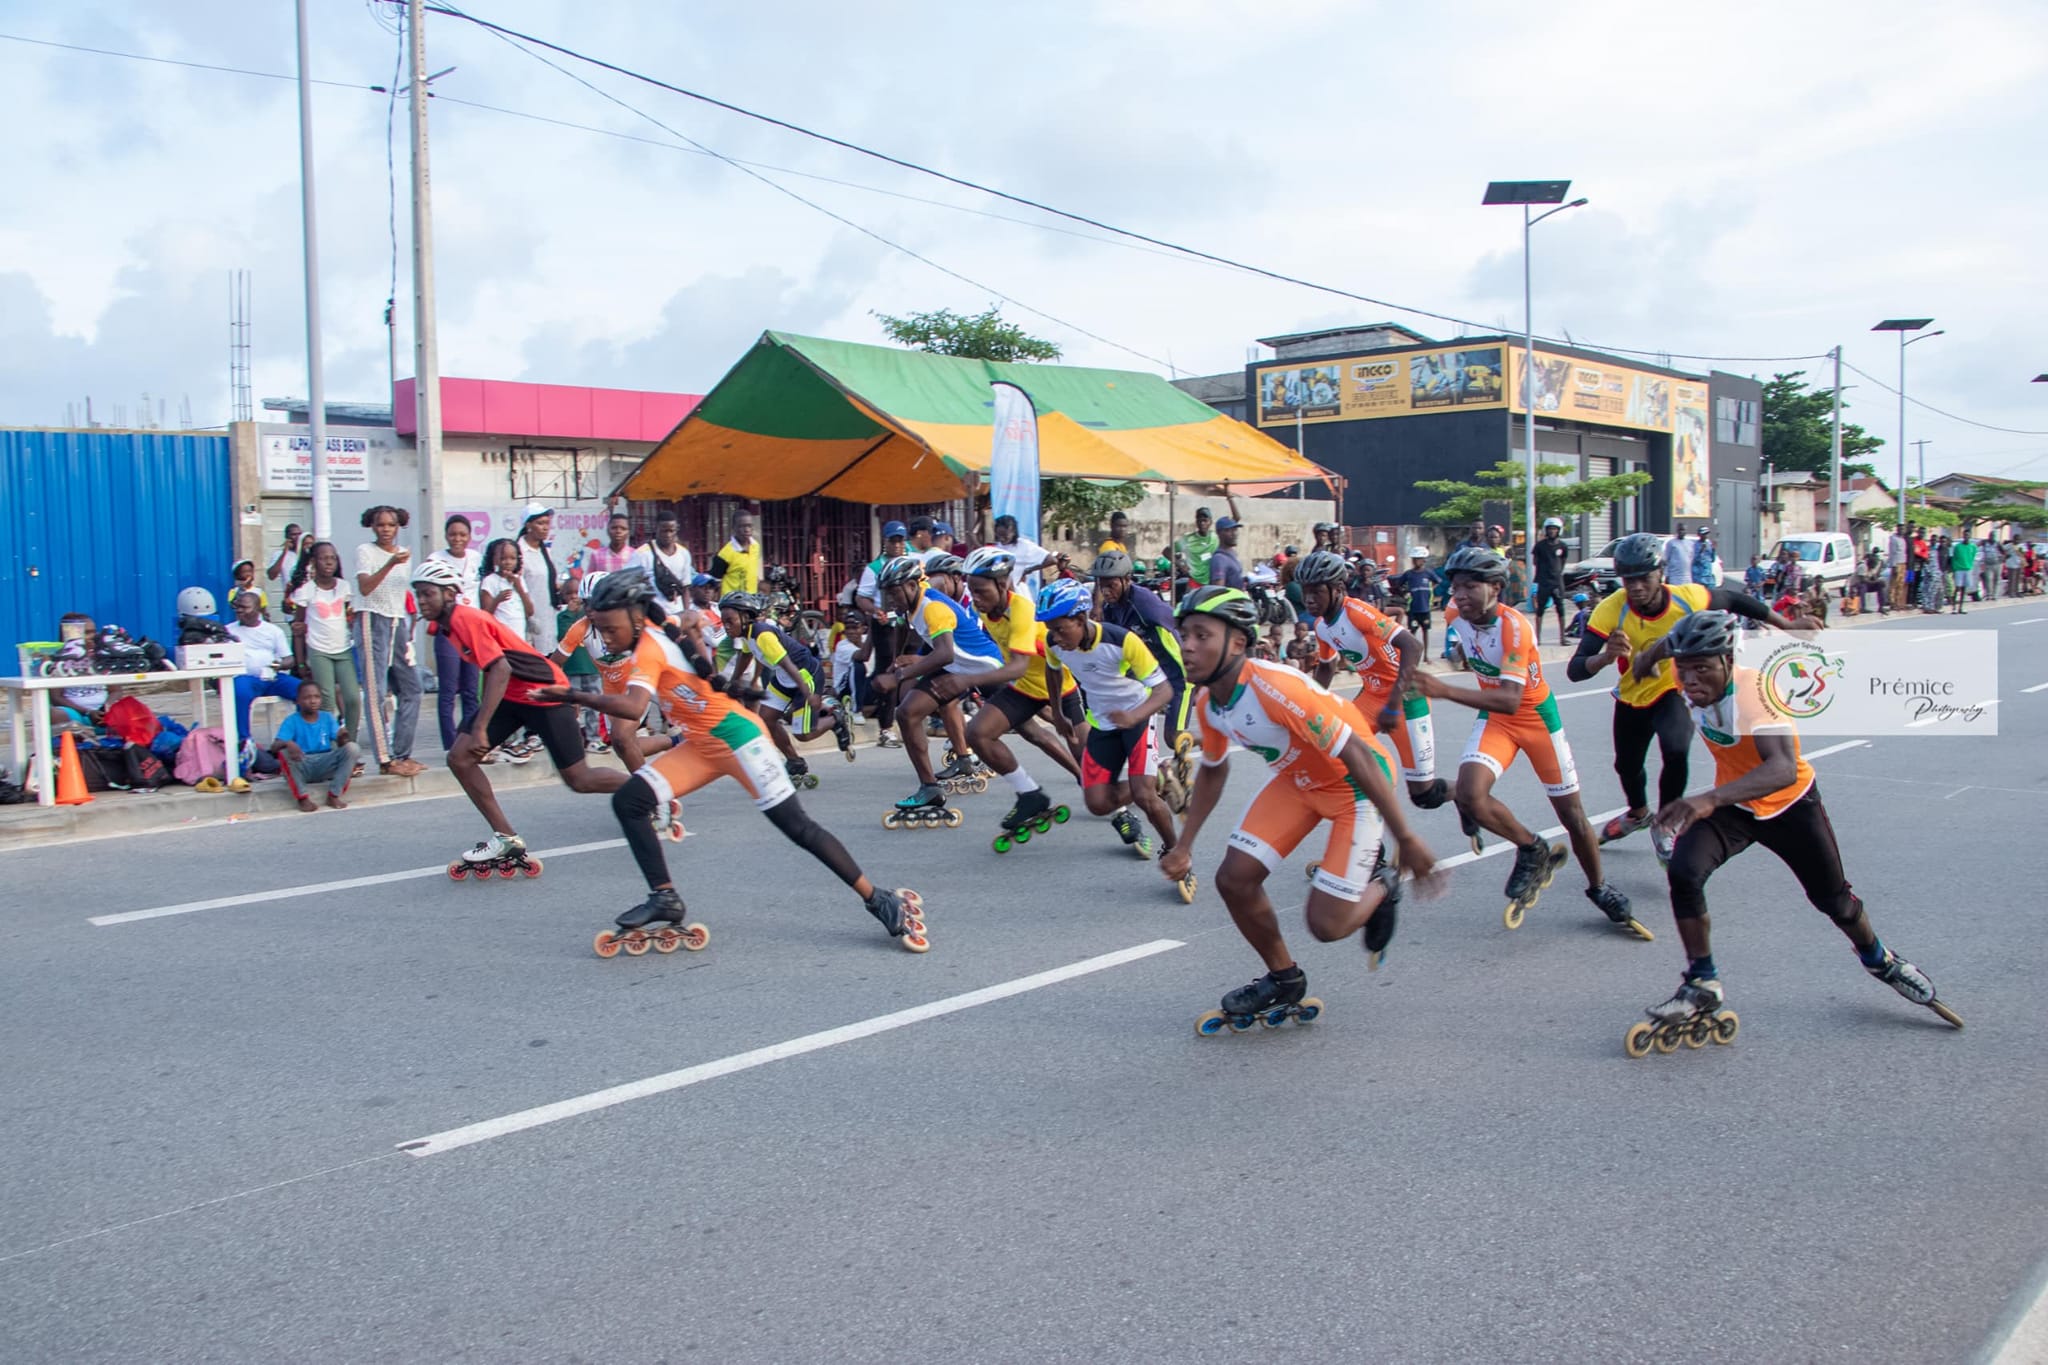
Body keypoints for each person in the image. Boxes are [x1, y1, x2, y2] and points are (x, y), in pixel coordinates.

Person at [537, 568, 926, 954]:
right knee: (629, 801)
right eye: (600, 630)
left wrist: (571, 695)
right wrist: (687, 621)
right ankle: (664, 896)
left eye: (610, 629)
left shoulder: (649, 649)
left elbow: (633, 705)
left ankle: (877, 897)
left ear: (636, 617)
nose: (605, 638)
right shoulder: (659, 628)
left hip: (740, 738)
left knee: (798, 828)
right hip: (702, 745)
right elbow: (686, 619)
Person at [1623, 611, 1959, 1046]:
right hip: (1737, 804)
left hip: (1789, 804)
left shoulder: (1757, 693)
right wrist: (1644, 660)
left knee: (1834, 901)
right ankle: (1702, 981)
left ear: (1728, 660)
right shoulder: (1683, 664)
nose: (1691, 679)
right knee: (1684, 872)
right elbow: (1665, 648)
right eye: (1684, 669)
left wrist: (1706, 799)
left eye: (1703, 668)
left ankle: (1880, 960)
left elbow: (1781, 769)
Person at [1162, 587, 1443, 1019]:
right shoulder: (1209, 704)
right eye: (1184, 635)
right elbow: (1215, 770)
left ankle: (1385, 884)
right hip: (1299, 782)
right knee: (1234, 879)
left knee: (1327, 926)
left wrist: (1405, 836)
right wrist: (1185, 844)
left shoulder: (1274, 687)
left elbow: (1359, 754)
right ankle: (1284, 978)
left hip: (1355, 786)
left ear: (1238, 642)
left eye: (1202, 635)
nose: (1188, 646)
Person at [1416, 547, 1647, 937]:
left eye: (1471, 586)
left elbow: (1509, 697)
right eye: (1456, 587)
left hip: (1535, 719)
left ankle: (1599, 888)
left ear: (1497, 588)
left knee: (1572, 816)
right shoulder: (1456, 616)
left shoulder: (1516, 628)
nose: (1460, 596)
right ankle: (1532, 849)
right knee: (1471, 794)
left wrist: (1443, 689)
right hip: (1498, 721)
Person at [1567, 531, 1814, 863]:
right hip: (1632, 696)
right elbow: (1575, 669)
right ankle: (1639, 814)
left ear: (1661, 573)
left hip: (1674, 690)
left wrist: (1786, 623)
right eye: (1628, 579)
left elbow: (1735, 599)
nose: (1636, 586)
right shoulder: (1611, 610)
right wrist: (1604, 658)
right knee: (1626, 765)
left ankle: (1666, 823)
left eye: (1644, 577)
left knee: (1676, 748)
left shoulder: (1688, 598)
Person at [408, 560, 627, 876]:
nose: (422, 601)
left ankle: (648, 789)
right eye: (419, 595)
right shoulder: (444, 625)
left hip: (544, 692)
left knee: (579, 779)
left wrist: (481, 727)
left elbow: (500, 667)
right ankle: (506, 837)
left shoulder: (465, 618)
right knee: (459, 757)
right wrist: (474, 727)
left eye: (428, 594)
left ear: (450, 594)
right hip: (512, 696)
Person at [1036, 579, 1185, 880]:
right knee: (1097, 804)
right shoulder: (1055, 643)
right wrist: (1058, 712)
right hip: (1103, 724)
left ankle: (1176, 851)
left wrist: (1134, 717)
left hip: (1138, 718)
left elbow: (1164, 691)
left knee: (1144, 797)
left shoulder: (1123, 641)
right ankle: (1159, 778)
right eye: (1050, 629)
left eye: (1060, 628)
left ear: (1081, 620)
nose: (1055, 636)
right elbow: (1052, 672)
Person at [1294, 550, 1449, 815]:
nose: (1308, 599)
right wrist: (1310, 707)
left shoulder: (1358, 613)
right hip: (1372, 697)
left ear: (1337, 588)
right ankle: (1373, 849)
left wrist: (1394, 701)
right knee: (1340, 759)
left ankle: (1464, 796)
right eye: (1304, 591)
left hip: (1405, 699)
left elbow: (1412, 646)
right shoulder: (1321, 626)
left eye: (1316, 591)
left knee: (1423, 795)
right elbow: (1326, 667)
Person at [870, 554, 1007, 822]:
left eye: (895, 592)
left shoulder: (932, 606)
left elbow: (944, 654)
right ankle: (931, 786)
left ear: (912, 585)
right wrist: (894, 662)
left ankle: (1078, 763)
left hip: (985, 667)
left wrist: (899, 677)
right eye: (887, 594)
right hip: (957, 667)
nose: (891, 599)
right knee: (907, 713)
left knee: (1033, 727)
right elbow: (901, 624)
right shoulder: (908, 603)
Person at [960, 547, 1087, 834]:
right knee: (978, 733)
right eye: (972, 591)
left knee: (1094, 775)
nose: (975, 598)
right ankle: (1029, 794)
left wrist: (965, 681)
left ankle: (1123, 810)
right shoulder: (991, 613)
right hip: (1026, 690)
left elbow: (1018, 665)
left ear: (1003, 584)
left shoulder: (1022, 610)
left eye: (980, 591)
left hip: (1060, 687)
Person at [721, 590, 848, 782]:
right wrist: (734, 680)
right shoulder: (747, 634)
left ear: (745, 617)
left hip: (804, 677)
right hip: (783, 678)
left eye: (730, 621)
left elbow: (788, 664)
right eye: (724, 622)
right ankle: (795, 761)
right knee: (767, 720)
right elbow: (746, 655)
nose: (726, 627)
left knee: (803, 734)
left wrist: (809, 694)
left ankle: (835, 718)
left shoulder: (763, 635)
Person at [351, 506, 425, 777]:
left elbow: (404, 591)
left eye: (391, 525)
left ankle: (402, 753)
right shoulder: (365, 552)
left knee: (413, 688)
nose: (386, 529)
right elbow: (365, 587)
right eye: (380, 525)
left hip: (398, 621)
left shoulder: (405, 553)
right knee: (376, 692)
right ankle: (384, 759)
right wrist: (389, 564)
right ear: (372, 526)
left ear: (398, 527)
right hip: (372, 620)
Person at [285, 540, 363, 748]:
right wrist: (301, 663)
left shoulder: (344, 588)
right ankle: (329, 746)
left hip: (343, 649)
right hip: (319, 651)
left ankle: (350, 746)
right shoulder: (307, 591)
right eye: (323, 558)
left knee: (353, 699)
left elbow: (349, 616)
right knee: (326, 701)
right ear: (313, 562)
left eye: (332, 558)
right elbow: (299, 629)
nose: (329, 563)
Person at [427, 515, 484, 751]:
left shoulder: (476, 558)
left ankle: (467, 741)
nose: (457, 539)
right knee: (449, 691)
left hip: (471, 630)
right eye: (453, 534)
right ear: (446, 535)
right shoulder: (435, 559)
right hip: (448, 629)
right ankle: (450, 745)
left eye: (462, 534)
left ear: (470, 536)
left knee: (471, 690)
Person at [224, 590, 302, 741]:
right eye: (237, 607)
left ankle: (301, 737)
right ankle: (244, 741)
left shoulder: (273, 631)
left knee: (303, 690)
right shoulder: (228, 631)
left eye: (245, 607)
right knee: (240, 692)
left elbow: (289, 659)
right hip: (245, 677)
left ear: (258, 609)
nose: (239, 610)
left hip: (272, 677)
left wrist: (279, 665)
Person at [271, 680, 361, 812]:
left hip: (325, 763)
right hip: (303, 763)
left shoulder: (327, 718)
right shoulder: (292, 720)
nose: (313, 701)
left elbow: (341, 744)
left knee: (352, 748)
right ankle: (302, 798)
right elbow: (274, 746)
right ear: (298, 701)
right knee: (284, 753)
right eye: (307, 698)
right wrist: (288, 743)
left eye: (316, 697)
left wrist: (343, 738)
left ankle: (334, 795)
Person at [556, 580, 607, 752]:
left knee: (594, 705)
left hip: (591, 669)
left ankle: (594, 739)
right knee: (572, 706)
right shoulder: (563, 616)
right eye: (569, 593)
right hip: (572, 669)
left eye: (576, 593)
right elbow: (563, 636)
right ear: (563, 596)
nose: (574, 597)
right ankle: (574, 738)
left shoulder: (594, 616)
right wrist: (570, 614)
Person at [517, 504, 566, 655]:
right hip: (529, 619)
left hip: (547, 615)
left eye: (547, 523)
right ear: (528, 525)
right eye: (540, 523)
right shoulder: (519, 551)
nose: (545, 528)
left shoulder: (544, 551)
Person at [631, 511, 696, 621]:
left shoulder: (683, 553)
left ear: (676, 530)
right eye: (664, 531)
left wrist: (686, 613)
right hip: (652, 616)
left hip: (677, 614)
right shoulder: (641, 554)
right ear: (656, 528)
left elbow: (685, 588)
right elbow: (631, 583)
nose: (668, 535)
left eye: (671, 531)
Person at [991, 513, 1057, 597]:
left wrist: (1029, 570)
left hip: (1016, 593)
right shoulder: (998, 547)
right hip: (998, 593)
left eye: (1005, 536)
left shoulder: (1024, 546)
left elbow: (1052, 560)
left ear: (1013, 532)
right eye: (999, 535)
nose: (1001, 539)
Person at [1532, 517, 1571, 645]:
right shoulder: (1540, 546)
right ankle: (1537, 638)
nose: (1552, 531)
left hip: (1557, 582)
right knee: (1540, 609)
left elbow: (1563, 561)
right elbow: (1535, 561)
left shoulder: (1563, 546)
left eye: (1554, 529)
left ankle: (1562, 638)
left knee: (1560, 608)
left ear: (1559, 530)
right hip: (1543, 581)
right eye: (1550, 529)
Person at [709, 509, 762, 597]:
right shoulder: (725, 554)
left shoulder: (755, 546)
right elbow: (715, 580)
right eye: (742, 526)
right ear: (734, 528)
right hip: (732, 601)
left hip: (751, 598)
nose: (747, 530)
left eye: (749, 526)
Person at [1173, 505, 1221, 588]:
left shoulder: (1216, 538)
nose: (1202, 523)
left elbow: (1235, 520)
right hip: (1194, 582)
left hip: (1212, 582)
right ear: (1196, 522)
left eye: (1205, 520)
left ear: (1210, 522)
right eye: (1200, 521)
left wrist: (1230, 499)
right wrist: (1180, 565)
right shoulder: (1188, 539)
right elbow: (1167, 551)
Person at [1207, 516, 1247, 590]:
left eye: (1235, 530)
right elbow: (1218, 590)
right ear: (1219, 533)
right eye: (1229, 530)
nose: (1234, 534)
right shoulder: (1219, 559)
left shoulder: (1232, 554)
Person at [1948, 534, 1976, 614]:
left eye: (1968, 536)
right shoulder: (1958, 546)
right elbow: (1954, 557)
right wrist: (1954, 568)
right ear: (1963, 537)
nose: (1967, 537)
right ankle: (1954, 607)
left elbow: (1973, 556)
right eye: (1965, 536)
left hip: (1967, 569)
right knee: (1957, 588)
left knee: (1964, 589)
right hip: (1959, 569)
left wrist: (1970, 565)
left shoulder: (1973, 547)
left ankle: (1961, 607)